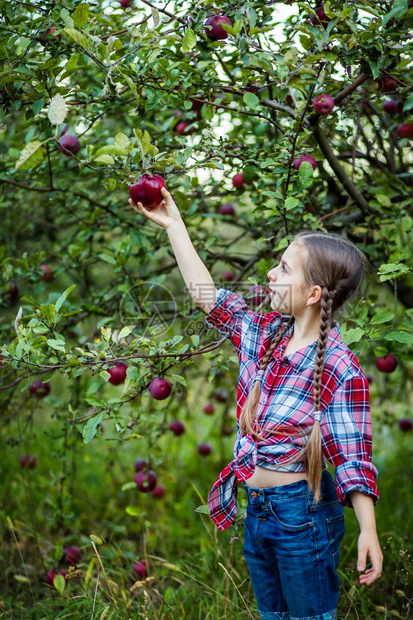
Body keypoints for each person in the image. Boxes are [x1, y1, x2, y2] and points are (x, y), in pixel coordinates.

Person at [129, 186, 383, 620]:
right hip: (258, 511)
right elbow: (206, 297)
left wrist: (368, 531)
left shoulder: (340, 368)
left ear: (314, 293)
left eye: (284, 268)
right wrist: (175, 226)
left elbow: (353, 457)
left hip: (303, 517)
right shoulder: (263, 334)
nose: (270, 273)